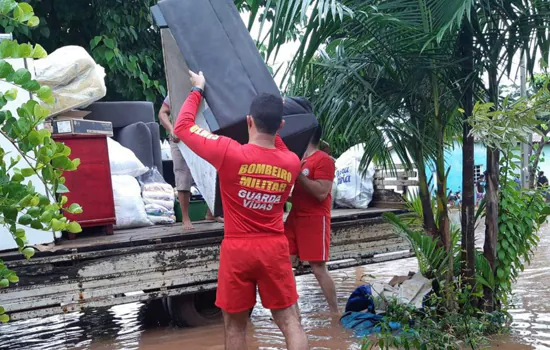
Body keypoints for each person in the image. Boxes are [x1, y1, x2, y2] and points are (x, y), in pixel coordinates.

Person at [174, 71, 309, 350]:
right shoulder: (292, 163)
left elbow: (182, 126)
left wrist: (197, 89)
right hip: (274, 249)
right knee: (290, 321)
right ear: (281, 125)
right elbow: (277, 144)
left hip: (238, 250)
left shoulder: (229, 152)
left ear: (249, 121)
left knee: (235, 326)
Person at [285, 125, 338, 315]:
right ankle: (293, 312)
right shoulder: (301, 160)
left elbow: (321, 193)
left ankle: (334, 312)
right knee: (284, 264)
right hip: (294, 217)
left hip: (314, 219)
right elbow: (299, 194)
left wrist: (299, 174)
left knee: (318, 268)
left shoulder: (324, 160)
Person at [158, 94, 222, 230]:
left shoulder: (208, 92)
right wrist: (171, 129)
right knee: (182, 174)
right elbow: (162, 112)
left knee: (212, 171)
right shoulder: (175, 91)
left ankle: (212, 212)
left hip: (202, 135)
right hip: (179, 138)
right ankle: (185, 218)